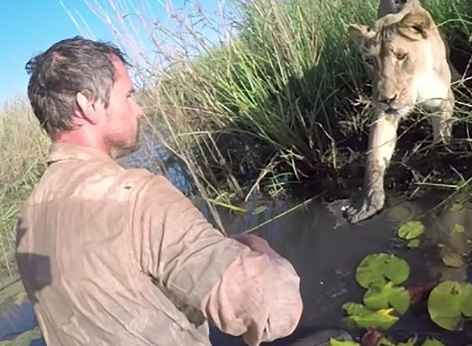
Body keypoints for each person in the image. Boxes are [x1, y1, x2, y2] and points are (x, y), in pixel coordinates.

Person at [15, 36, 304, 346]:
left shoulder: (28, 219)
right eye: (128, 96)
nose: (138, 110)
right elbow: (273, 310)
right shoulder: (134, 197)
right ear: (90, 103)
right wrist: (258, 248)